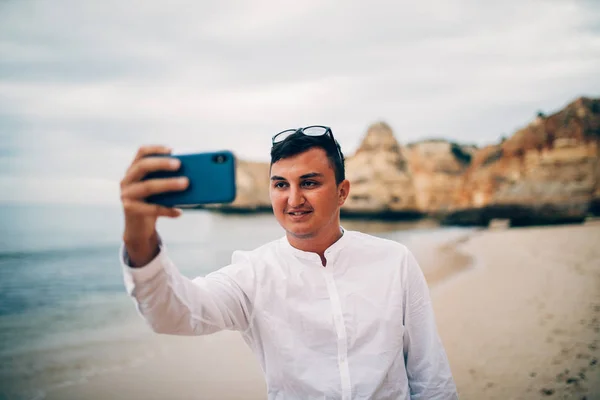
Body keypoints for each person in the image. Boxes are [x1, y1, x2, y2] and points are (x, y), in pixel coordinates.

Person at [119, 126, 458, 399]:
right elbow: (175, 314)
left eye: (309, 183)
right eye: (281, 184)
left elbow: (430, 372)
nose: (294, 199)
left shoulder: (394, 260)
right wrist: (139, 236)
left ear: (342, 192)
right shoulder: (251, 274)